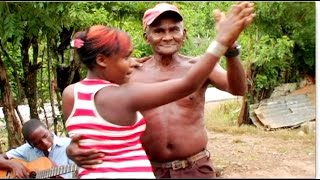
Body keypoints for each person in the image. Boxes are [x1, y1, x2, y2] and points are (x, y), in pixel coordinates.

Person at [64, 2, 255, 178]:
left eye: (174, 29)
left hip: (195, 167)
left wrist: (230, 50)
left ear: (184, 34)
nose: (167, 36)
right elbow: (99, 118)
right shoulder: (129, 74)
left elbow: (238, 89)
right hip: (149, 169)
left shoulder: (201, 67)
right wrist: (73, 147)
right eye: (159, 30)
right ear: (147, 37)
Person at [0, 119, 74, 179]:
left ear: (48, 129)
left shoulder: (70, 145)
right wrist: (13, 165)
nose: (45, 143)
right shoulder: (27, 149)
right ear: (31, 144)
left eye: (45, 136)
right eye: (37, 143)